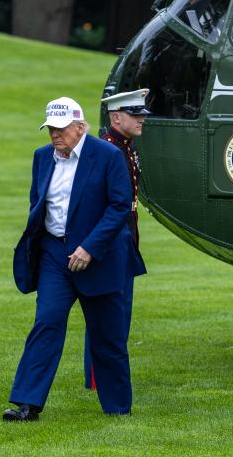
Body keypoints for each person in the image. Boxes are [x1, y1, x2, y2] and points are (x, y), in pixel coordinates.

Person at [3, 97, 145, 421]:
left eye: (61, 128)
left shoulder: (108, 155)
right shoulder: (42, 157)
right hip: (55, 256)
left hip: (100, 257)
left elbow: (119, 207)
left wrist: (89, 248)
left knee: (107, 335)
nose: (55, 134)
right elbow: (38, 203)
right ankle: (27, 404)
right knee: (46, 323)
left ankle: (117, 408)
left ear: (80, 127)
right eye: (51, 129)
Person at [83, 89, 150, 390]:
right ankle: (99, 378)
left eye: (141, 114)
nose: (141, 119)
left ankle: (106, 376)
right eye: (134, 114)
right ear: (116, 118)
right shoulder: (107, 151)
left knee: (121, 312)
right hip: (111, 244)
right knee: (108, 314)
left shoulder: (125, 148)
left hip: (126, 240)